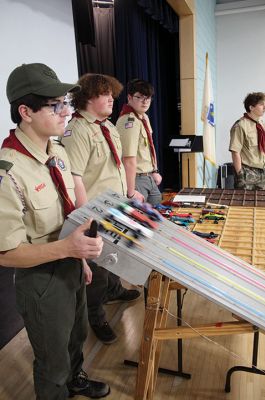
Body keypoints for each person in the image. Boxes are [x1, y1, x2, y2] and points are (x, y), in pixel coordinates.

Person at [0, 63, 110, 400]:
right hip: (41, 278)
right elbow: (7, 254)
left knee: (76, 336)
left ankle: (76, 378)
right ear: (25, 112)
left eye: (66, 103)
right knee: (52, 359)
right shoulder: (8, 172)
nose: (66, 112)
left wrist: (82, 260)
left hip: (71, 265)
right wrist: (69, 251)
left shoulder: (56, 152)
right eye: (55, 105)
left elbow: (67, 217)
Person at [61, 73, 140, 345]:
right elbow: (75, 178)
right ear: (87, 97)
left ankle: (115, 290)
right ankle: (95, 315)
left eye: (112, 94)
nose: (111, 99)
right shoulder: (77, 130)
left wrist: (128, 196)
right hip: (95, 211)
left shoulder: (107, 126)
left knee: (115, 256)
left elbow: (117, 167)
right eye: (105, 94)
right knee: (96, 269)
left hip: (115, 206)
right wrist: (86, 218)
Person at [116, 78, 162, 205]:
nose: (145, 101)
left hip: (148, 176)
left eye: (148, 97)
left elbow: (148, 148)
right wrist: (130, 192)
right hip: (136, 179)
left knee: (158, 213)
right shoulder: (129, 121)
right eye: (140, 97)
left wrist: (154, 171)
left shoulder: (143, 117)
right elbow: (128, 159)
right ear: (129, 97)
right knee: (141, 220)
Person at [229, 92, 265, 189]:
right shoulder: (240, 125)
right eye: (261, 104)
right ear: (251, 107)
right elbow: (235, 152)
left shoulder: (262, 124)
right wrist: (240, 176)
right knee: (245, 203)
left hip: (263, 173)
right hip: (248, 174)